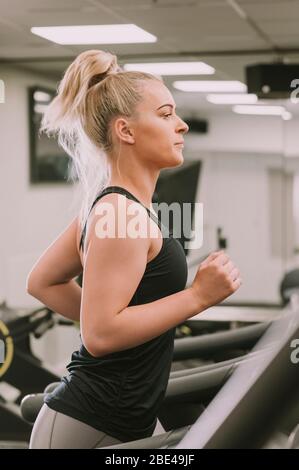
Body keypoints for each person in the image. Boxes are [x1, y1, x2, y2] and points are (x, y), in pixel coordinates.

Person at [26, 50, 242, 449]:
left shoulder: (116, 206)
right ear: (126, 130)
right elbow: (100, 334)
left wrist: (118, 320)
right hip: (91, 424)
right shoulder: (120, 212)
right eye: (165, 114)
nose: (181, 125)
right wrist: (198, 297)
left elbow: (43, 282)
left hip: (124, 419)